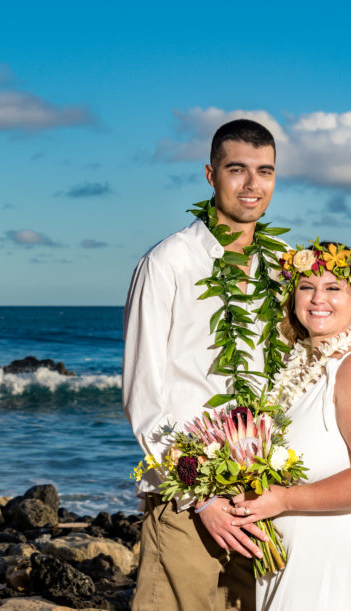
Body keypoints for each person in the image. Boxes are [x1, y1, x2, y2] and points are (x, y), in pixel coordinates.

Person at [123, 118, 278, 611]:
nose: (252, 184)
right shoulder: (168, 263)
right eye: (238, 169)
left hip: (265, 498)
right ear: (211, 176)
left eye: (265, 171)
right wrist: (203, 499)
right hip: (187, 502)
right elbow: (144, 397)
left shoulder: (283, 269)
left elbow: (306, 379)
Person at [227, 241, 351, 610]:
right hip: (302, 561)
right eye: (307, 287)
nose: (318, 299)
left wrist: (282, 499)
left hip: (340, 565)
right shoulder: (302, 364)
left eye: (333, 288)